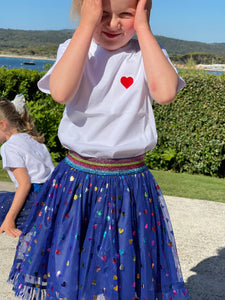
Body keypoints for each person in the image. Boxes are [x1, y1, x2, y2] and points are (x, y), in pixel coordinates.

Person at [8, 0, 189, 299]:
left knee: (125, 268)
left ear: (142, 13)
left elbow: (166, 92)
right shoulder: (75, 48)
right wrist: (86, 25)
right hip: (76, 180)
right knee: (69, 266)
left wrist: (143, 27)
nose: (113, 24)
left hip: (130, 184)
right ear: (87, 11)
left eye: (126, 14)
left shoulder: (147, 54)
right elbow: (61, 91)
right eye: (103, 14)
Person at [0, 95, 54, 238]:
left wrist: (9, 219)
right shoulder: (34, 140)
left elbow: (24, 184)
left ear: (2, 124)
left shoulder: (8, 147)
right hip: (52, 197)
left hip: (34, 201)